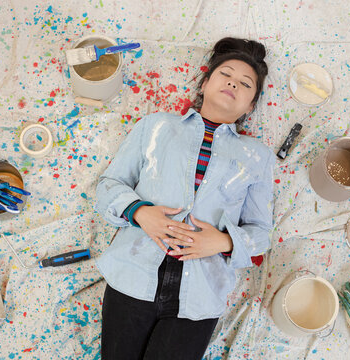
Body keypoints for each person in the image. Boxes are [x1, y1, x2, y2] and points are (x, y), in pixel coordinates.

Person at [95, 37, 275, 360]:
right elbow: (109, 185)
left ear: (250, 106)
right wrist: (140, 212)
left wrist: (222, 242)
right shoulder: (155, 126)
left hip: (201, 294)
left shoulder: (258, 157)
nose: (234, 82)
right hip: (134, 272)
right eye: (226, 74)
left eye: (246, 84)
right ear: (205, 84)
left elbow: (261, 233)